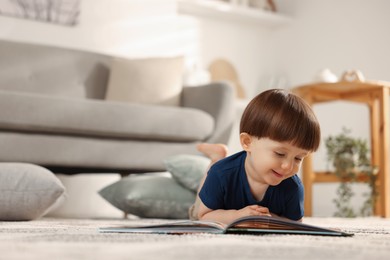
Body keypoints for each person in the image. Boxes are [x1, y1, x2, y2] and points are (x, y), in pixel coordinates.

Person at [189, 88, 321, 224]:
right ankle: (216, 157)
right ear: (247, 142)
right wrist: (238, 216)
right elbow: (204, 216)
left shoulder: (292, 186)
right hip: (216, 206)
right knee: (195, 212)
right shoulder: (220, 173)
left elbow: (297, 224)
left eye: (298, 158)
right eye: (280, 154)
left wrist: (268, 219)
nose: (288, 166)